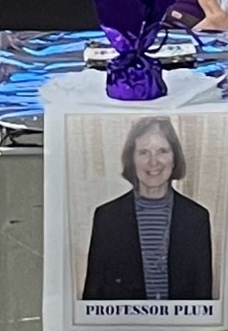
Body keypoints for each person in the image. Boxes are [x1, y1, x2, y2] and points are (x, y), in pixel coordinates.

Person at [82, 116, 215, 301]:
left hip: (179, 329)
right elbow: (93, 296)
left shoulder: (196, 218)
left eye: (162, 151)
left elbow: (203, 295)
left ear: (174, 158)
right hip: (124, 328)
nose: (154, 162)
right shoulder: (107, 218)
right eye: (144, 152)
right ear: (132, 160)